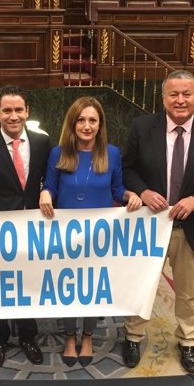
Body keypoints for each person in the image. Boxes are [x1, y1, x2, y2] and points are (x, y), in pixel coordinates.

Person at [120, 70, 194, 373]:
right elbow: (126, 169)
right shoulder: (142, 127)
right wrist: (144, 191)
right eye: (174, 94)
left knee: (189, 291)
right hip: (149, 226)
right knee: (142, 285)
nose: (180, 100)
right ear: (163, 98)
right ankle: (133, 336)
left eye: (187, 94)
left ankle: (187, 341)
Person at [38, 97, 142, 367]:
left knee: (93, 289)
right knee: (69, 288)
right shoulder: (58, 153)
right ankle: (70, 336)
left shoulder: (112, 153)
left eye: (92, 120)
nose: (86, 126)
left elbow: (117, 190)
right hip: (66, 236)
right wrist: (45, 193)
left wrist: (130, 193)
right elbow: (50, 186)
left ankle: (87, 336)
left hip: (99, 237)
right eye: (81, 120)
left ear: (100, 124)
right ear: (72, 123)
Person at [0, 85, 51, 369]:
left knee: (27, 284)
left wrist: (46, 192)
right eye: (7, 110)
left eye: (19, 110)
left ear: (27, 111)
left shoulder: (42, 143)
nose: (13, 116)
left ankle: (29, 336)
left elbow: (48, 181)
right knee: (2, 287)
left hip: (33, 232)